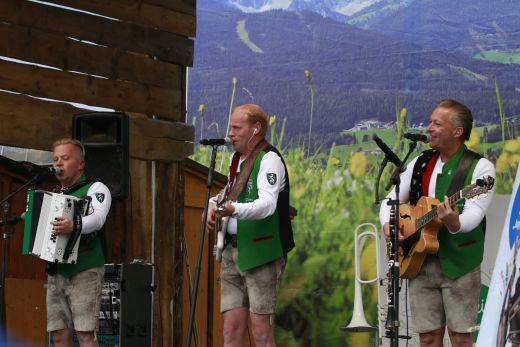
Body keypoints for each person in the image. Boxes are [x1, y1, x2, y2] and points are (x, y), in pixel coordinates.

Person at [379, 99, 495, 347]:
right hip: (419, 261)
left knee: (461, 338)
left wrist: (454, 222)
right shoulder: (420, 161)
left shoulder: (480, 168)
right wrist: (388, 224)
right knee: (428, 338)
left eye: (436, 123)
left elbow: (474, 214)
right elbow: (391, 199)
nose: (429, 128)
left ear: (457, 132)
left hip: (460, 263)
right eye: (430, 122)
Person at [206, 104, 295, 347]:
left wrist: (234, 210)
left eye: (237, 127)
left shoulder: (270, 159)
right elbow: (231, 192)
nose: (231, 133)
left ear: (256, 129)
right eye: (230, 127)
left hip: (261, 253)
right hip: (231, 253)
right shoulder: (238, 159)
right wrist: (214, 203)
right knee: (231, 329)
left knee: (261, 332)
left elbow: (267, 204)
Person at [46, 138, 112, 347]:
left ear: (81, 164)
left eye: (65, 158)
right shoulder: (53, 195)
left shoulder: (96, 188)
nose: (58, 164)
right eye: (55, 159)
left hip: (85, 269)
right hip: (57, 271)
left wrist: (74, 224)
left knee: (85, 334)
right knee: (58, 335)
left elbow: (98, 219)